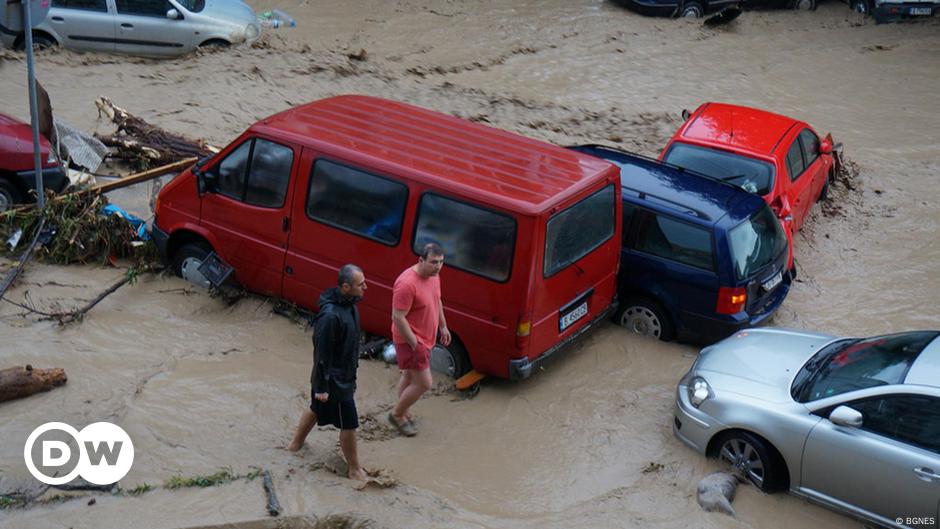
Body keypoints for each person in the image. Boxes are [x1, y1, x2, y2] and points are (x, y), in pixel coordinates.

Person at [287, 264, 368, 481]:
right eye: (361, 285)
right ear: (345, 286)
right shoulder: (330, 317)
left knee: (315, 408)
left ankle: (295, 445)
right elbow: (321, 353)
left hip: (344, 375)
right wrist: (322, 387)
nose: (365, 287)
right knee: (349, 422)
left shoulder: (350, 305)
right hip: (334, 381)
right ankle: (354, 469)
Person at [388, 242, 451, 437]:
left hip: (426, 337)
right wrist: (416, 345)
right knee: (424, 383)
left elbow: (437, 300)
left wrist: (443, 326)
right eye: (433, 262)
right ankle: (397, 415)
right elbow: (397, 317)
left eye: (441, 262)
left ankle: (403, 410)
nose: (438, 266)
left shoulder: (434, 276)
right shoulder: (406, 284)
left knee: (408, 376)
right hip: (411, 340)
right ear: (421, 260)